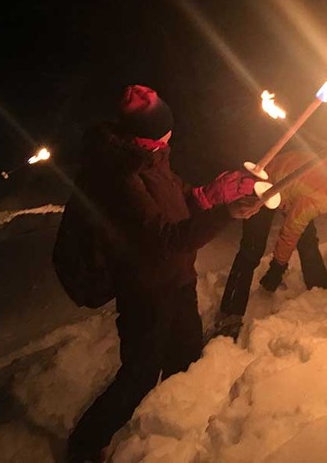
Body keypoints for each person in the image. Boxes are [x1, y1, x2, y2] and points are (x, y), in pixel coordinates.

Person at [66, 84, 261, 463]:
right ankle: (85, 445)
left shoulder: (152, 157)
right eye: (164, 132)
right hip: (146, 291)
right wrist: (225, 214)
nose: (171, 136)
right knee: (139, 373)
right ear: (145, 135)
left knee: (186, 359)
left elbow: (178, 201)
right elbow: (166, 237)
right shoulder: (120, 177)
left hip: (178, 281)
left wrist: (215, 193)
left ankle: (174, 434)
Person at [208, 147, 327, 341]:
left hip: (293, 184)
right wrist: (277, 267)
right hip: (264, 185)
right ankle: (230, 313)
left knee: (307, 239)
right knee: (252, 249)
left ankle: (319, 288)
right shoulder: (323, 198)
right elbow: (291, 230)